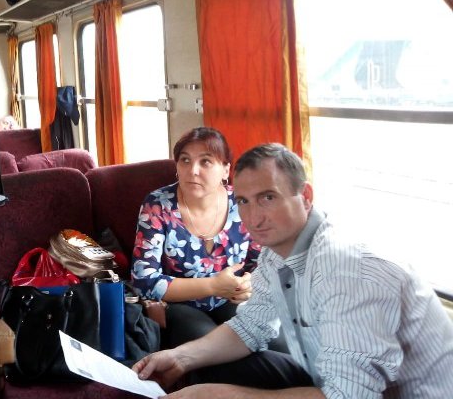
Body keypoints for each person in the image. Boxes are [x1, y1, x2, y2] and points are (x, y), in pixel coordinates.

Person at [134, 143, 453, 397]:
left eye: (268, 198)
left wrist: (223, 395)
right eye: (243, 202)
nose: (253, 217)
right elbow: (249, 329)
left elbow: (348, 394)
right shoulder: (276, 255)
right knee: (208, 368)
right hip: (324, 376)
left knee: (216, 388)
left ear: (306, 197)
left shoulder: (348, 270)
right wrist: (181, 357)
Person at [131, 127, 259, 347]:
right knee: (211, 346)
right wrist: (213, 286)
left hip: (231, 299)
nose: (193, 171)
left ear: (226, 170)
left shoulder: (243, 203)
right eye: (185, 160)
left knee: (268, 339)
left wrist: (249, 284)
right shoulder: (158, 204)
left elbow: (263, 264)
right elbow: (144, 280)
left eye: (206, 162)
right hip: (179, 304)